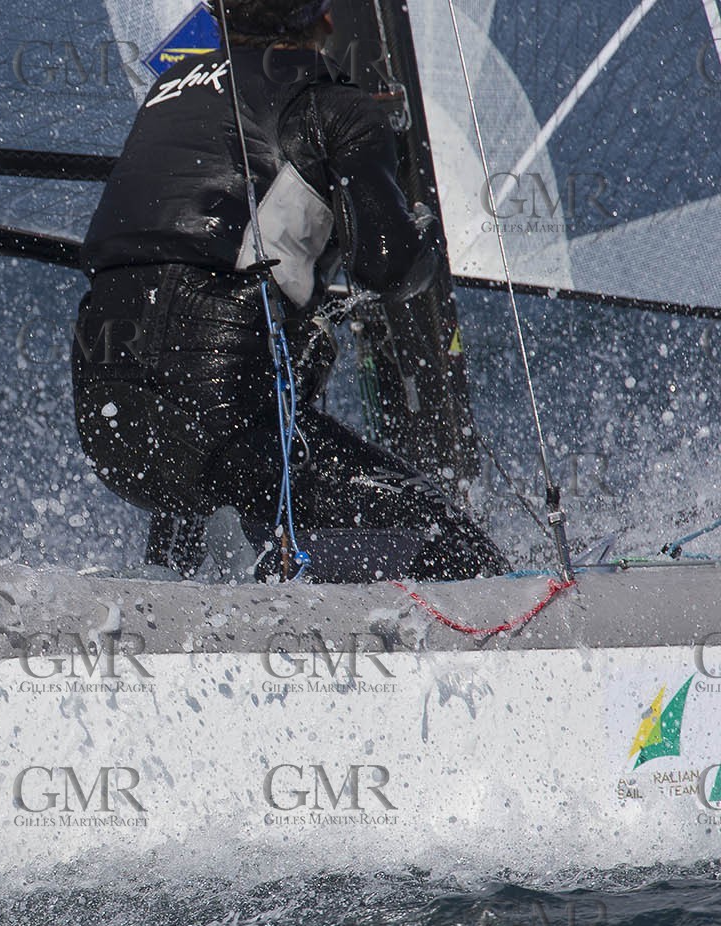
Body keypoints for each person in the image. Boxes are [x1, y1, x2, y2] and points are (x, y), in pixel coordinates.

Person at [72, 0, 508, 583]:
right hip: (228, 427)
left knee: (207, 457)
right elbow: (387, 269)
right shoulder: (335, 105)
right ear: (324, 21)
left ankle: (171, 588)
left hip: (109, 430)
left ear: (218, 19)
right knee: (460, 550)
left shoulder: (168, 90)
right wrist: (424, 225)